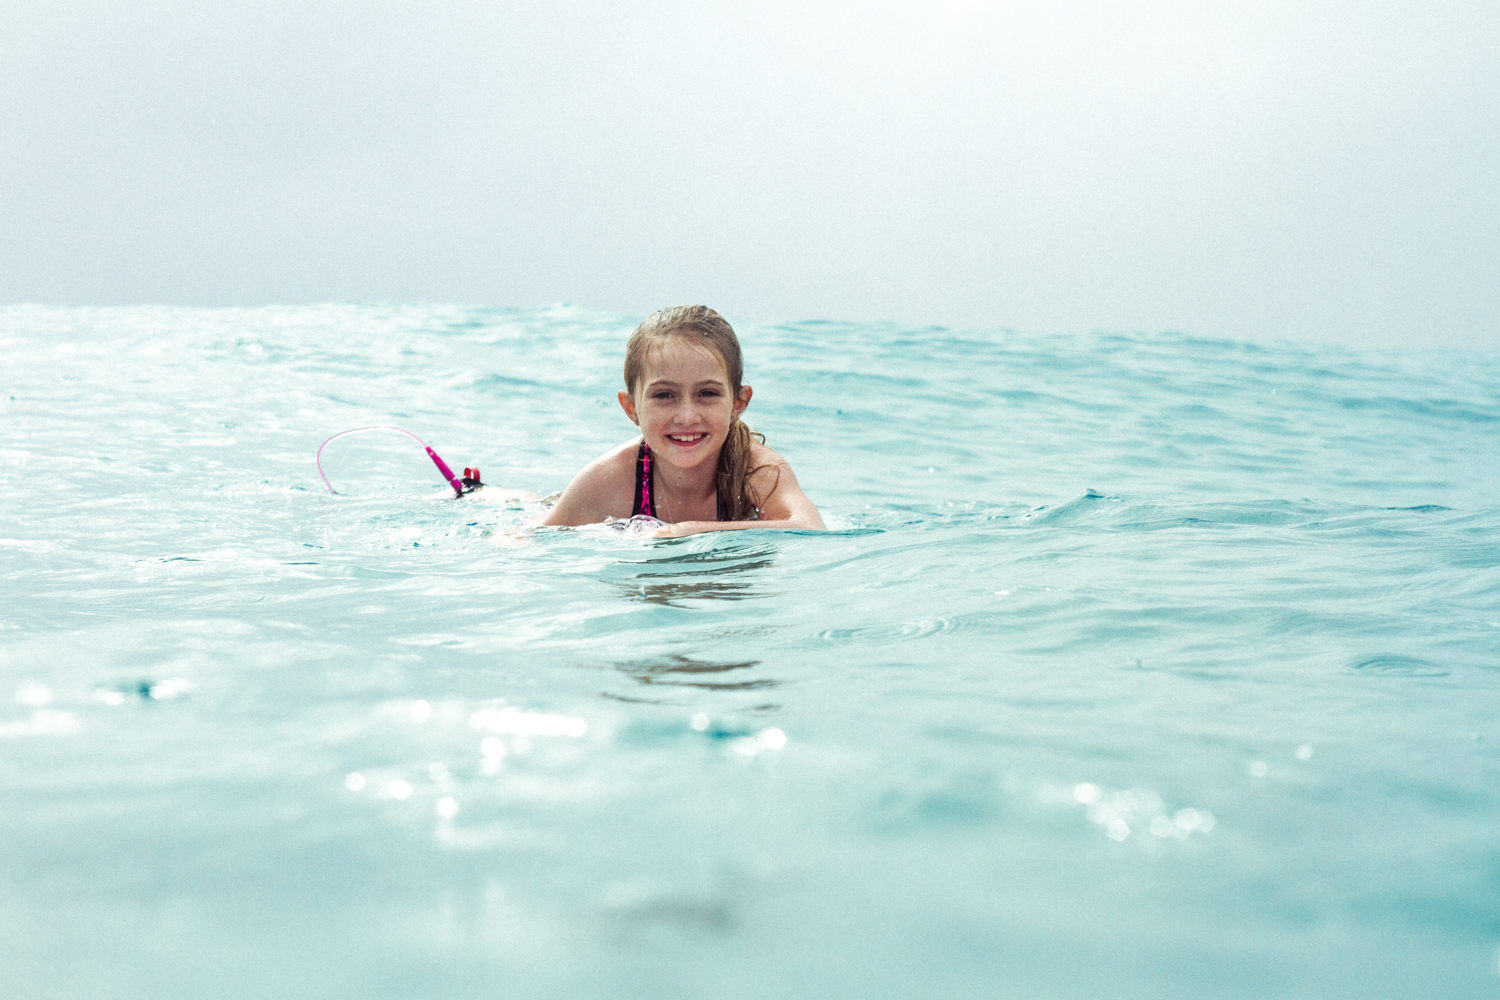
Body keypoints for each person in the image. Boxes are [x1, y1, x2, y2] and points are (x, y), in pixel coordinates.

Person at [480, 305, 824, 538]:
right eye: (664, 395)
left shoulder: (756, 469)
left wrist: (688, 531)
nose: (687, 416)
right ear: (631, 408)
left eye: (707, 393)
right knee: (532, 505)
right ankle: (484, 493)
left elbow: (809, 527)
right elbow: (535, 535)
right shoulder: (611, 477)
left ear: (738, 402)